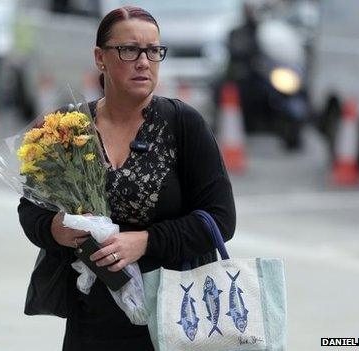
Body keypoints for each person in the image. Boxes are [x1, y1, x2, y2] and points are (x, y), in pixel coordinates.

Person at [17, 7, 236, 350]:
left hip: (175, 316)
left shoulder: (182, 124)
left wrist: (145, 241)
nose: (144, 62)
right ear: (100, 58)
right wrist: (56, 229)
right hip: (90, 319)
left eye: (153, 51)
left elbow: (221, 220)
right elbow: (30, 210)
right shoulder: (67, 128)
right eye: (129, 50)